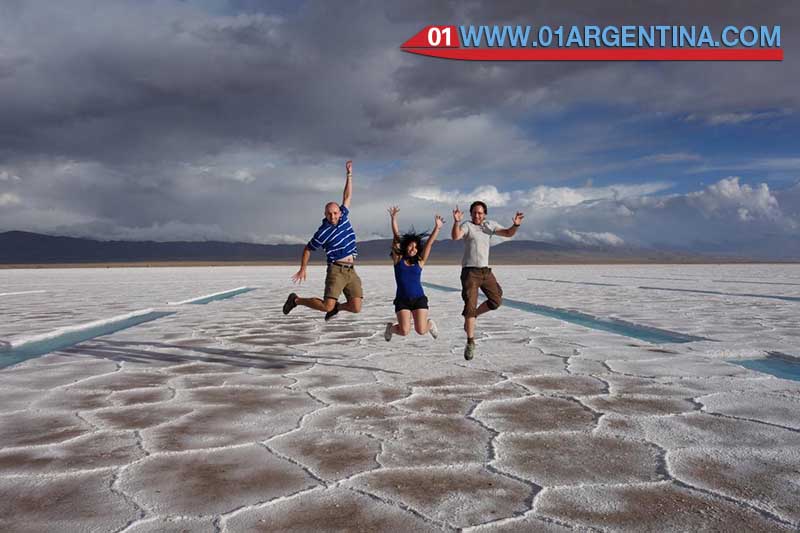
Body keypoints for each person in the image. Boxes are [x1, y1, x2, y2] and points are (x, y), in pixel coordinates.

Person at [283, 160, 362, 320]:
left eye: (335, 212)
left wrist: (349, 175)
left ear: (339, 212)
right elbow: (308, 249)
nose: (333, 216)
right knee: (327, 306)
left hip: (351, 270)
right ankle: (296, 300)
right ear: (325, 214)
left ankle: (336, 308)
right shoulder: (322, 232)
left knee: (356, 307)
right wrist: (303, 268)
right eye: (329, 213)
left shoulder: (344, 217)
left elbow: (347, 195)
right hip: (336, 270)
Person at [451, 201, 524, 360]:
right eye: (475, 213)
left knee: (496, 301)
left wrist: (516, 225)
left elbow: (507, 233)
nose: (477, 215)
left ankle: (473, 316)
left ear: (485, 214)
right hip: (470, 272)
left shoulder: (489, 225)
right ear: (471, 214)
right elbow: (456, 236)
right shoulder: (467, 226)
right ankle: (470, 342)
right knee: (469, 305)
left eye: (480, 213)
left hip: (485, 271)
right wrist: (456, 221)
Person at [384, 207, 445, 342]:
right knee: (404, 331)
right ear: (405, 247)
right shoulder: (398, 260)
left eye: (416, 247)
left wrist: (437, 228)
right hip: (402, 300)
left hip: (419, 299)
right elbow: (396, 238)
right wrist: (393, 219)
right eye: (411, 246)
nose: (413, 249)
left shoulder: (420, 262)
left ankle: (429, 324)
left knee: (421, 330)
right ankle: (391, 328)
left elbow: (429, 244)